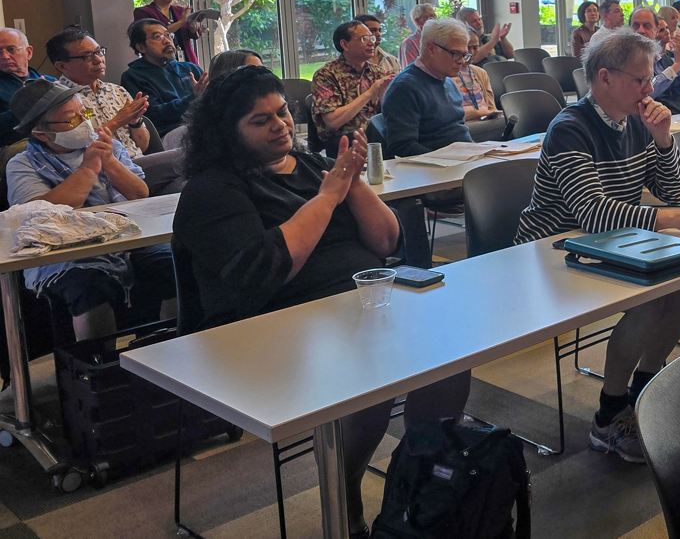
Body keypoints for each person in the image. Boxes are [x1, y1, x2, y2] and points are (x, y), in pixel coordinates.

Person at [173, 65, 470, 536]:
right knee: (369, 375)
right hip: (271, 323)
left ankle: (418, 473)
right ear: (226, 133)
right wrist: (328, 197)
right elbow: (266, 271)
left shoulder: (311, 165)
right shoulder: (212, 191)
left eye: (283, 112)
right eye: (260, 120)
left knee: (450, 359)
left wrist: (351, 185)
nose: (281, 125)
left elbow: (386, 241)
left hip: (357, 303)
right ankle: (345, 485)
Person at [515, 30, 680, 462]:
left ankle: (644, 389)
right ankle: (609, 414)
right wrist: (669, 219)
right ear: (604, 78)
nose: (650, 89)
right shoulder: (570, 128)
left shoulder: (637, 120)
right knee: (652, 292)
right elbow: (591, 213)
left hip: (610, 242)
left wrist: (664, 139)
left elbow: (672, 193)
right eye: (640, 80)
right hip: (552, 251)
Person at [6, 80, 177, 341]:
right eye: (71, 120)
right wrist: (87, 169)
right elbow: (39, 213)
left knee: (171, 265)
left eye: (83, 114)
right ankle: (99, 366)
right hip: (63, 253)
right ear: (41, 133)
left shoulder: (107, 146)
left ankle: (172, 343)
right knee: (89, 286)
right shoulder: (23, 164)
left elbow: (139, 193)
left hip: (127, 237)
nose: (84, 123)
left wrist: (108, 161)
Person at [382, 17, 473, 266]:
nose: (462, 61)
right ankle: (494, 251)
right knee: (504, 183)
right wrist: (450, 162)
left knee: (520, 174)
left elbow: (459, 131)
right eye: (455, 53)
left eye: (465, 54)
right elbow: (402, 147)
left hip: (461, 164)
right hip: (432, 174)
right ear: (431, 48)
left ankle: (504, 250)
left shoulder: (447, 81)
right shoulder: (405, 87)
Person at [47, 27, 150, 157]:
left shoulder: (117, 91)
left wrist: (134, 121)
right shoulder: (59, 101)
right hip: (101, 171)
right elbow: (75, 148)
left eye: (99, 52)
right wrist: (118, 120)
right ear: (62, 66)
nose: (98, 60)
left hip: (139, 164)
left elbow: (143, 146)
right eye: (87, 56)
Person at [311, 20, 394, 147]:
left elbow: (384, 115)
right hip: (344, 143)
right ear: (345, 44)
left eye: (371, 38)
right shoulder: (326, 75)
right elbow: (333, 122)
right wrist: (370, 93)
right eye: (364, 39)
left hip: (377, 138)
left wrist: (384, 94)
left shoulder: (376, 71)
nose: (372, 43)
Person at [121, 18, 207, 135]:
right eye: (157, 37)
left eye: (168, 35)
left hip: (200, 124)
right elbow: (152, 115)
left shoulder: (190, 68)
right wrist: (193, 98)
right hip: (168, 132)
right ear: (141, 47)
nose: (167, 41)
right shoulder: (134, 76)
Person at [630, 7, 680, 114]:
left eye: (646, 26)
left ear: (655, 31)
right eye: (635, 25)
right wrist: (676, 66)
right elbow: (645, 94)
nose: (640, 31)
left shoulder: (665, 59)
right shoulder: (627, 61)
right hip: (651, 121)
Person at [133, 0, 201, 67]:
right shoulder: (143, 12)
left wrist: (193, 27)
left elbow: (194, 35)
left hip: (186, 60)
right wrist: (181, 22)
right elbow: (153, 35)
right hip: (159, 63)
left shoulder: (180, 10)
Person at [0, 28, 54, 147]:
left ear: (29, 52)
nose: (5, 56)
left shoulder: (50, 82)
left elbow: (76, 114)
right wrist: (27, 105)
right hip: (14, 146)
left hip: (54, 141)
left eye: (11, 49)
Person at [452, 30, 503, 120]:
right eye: (468, 48)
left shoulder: (481, 73)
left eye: (475, 47)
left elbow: (491, 106)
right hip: (466, 123)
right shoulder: (447, 75)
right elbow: (452, 113)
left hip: (486, 121)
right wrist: (480, 113)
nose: (471, 52)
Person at [397, 2, 436, 66]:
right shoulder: (409, 43)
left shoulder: (438, 41)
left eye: (435, 16)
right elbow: (412, 73)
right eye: (430, 17)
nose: (434, 20)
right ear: (418, 21)